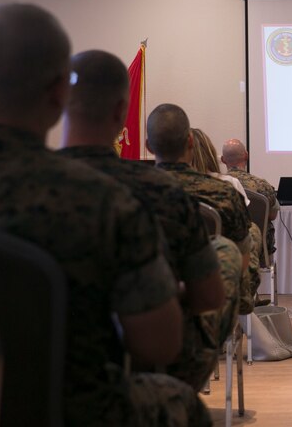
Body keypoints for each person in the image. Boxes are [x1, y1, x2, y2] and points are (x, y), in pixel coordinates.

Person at [0, 4, 210, 426]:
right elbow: (159, 345)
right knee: (182, 404)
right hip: (71, 409)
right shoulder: (106, 201)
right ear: (60, 92)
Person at [59, 50, 238, 393]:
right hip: (137, 376)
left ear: (59, 105)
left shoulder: (11, 188)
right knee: (225, 252)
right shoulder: (161, 191)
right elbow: (206, 299)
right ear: (120, 113)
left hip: (25, 373)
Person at [147, 104, 255, 313]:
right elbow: (241, 261)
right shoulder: (224, 192)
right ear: (189, 142)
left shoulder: (130, 194)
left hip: (145, 307)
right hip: (208, 311)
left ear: (149, 146)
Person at [189, 127, 264, 308]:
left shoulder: (166, 186)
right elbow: (243, 226)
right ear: (211, 154)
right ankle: (244, 294)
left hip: (181, 261)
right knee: (252, 229)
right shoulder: (228, 184)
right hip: (223, 259)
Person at [221, 137, 281, 305]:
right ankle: (251, 295)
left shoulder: (217, 184)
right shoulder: (261, 185)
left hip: (224, 247)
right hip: (258, 248)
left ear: (223, 160)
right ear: (246, 156)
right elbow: (273, 215)